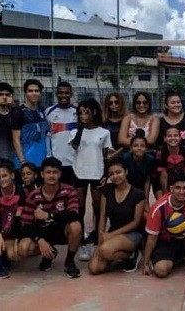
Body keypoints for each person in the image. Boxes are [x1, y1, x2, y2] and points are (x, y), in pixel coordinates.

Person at [141, 171, 185, 280]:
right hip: (165, 241)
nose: (181, 192)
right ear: (171, 189)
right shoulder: (159, 207)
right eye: (178, 188)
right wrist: (145, 263)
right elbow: (152, 237)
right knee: (161, 271)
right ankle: (177, 257)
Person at [18, 157, 82, 279]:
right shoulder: (33, 195)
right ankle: (49, 253)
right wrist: (40, 240)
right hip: (43, 232)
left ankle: (69, 262)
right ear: (42, 174)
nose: (51, 176)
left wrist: (49, 215)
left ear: (60, 174)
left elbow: (74, 215)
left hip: (63, 231)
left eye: (55, 172)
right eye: (48, 172)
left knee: (76, 226)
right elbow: (26, 224)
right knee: (23, 248)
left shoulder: (69, 191)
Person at [69, 98, 112, 261]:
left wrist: (106, 174)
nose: (83, 115)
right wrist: (82, 126)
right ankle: (80, 244)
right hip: (79, 172)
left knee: (97, 207)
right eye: (80, 113)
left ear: (94, 112)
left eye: (86, 112)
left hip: (97, 173)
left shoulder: (104, 132)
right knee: (79, 208)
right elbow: (75, 145)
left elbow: (107, 156)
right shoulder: (75, 132)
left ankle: (96, 241)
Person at [88, 158, 146, 275]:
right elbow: (103, 216)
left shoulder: (138, 194)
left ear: (126, 172)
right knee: (94, 268)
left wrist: (111, 235)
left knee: (105, 250)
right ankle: (123, 255)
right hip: (113, 232)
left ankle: (133, 253)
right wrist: (101, 237)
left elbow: (136, 222)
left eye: (118, 172)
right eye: (111, 174)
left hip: (133, 233)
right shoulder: (107, 190)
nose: (115, 176)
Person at [46, 81, 78, 185]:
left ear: (71, 94)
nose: (63, 95)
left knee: (73, 195)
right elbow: (47, 136)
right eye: (61, 93)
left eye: (66, 93)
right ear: (56, 94)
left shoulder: (77, 112)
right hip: (56, 162)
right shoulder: (49, 112)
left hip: (75, 162)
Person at [13, 79, 48, 172]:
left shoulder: (42, 111)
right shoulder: (19, 111)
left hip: (41, 162)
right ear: (25, 93)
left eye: (36, 91)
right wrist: (22, 162)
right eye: (30, 91)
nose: (34, 93)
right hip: (25, 163)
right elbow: (15, 139)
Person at [154, 125, 185, 198]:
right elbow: (163, 175)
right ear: (165, 138)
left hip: (181, 180)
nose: (172, 138)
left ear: (180, 138)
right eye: (169, 136)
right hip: (162, 183)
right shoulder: (160, 152)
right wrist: (166, 195)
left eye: (175, 135)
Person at [120, 132, 156, 201]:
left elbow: (147, 181)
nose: (139, 148)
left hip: (141, 188)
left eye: (142, 146)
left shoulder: (150, 160)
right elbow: (123, 179)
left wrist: (146, 200)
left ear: (146, 148)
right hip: (127, 187)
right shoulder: (125, 158)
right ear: (131, 147)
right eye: (135, 146)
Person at [102, 92, 127, 160]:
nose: (113, 105)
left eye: (116, 102)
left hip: (123, 156)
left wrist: (115, 154)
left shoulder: (126, 121)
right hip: (107, 156)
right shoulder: (103, 122)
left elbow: (127, 143)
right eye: (110, 103)